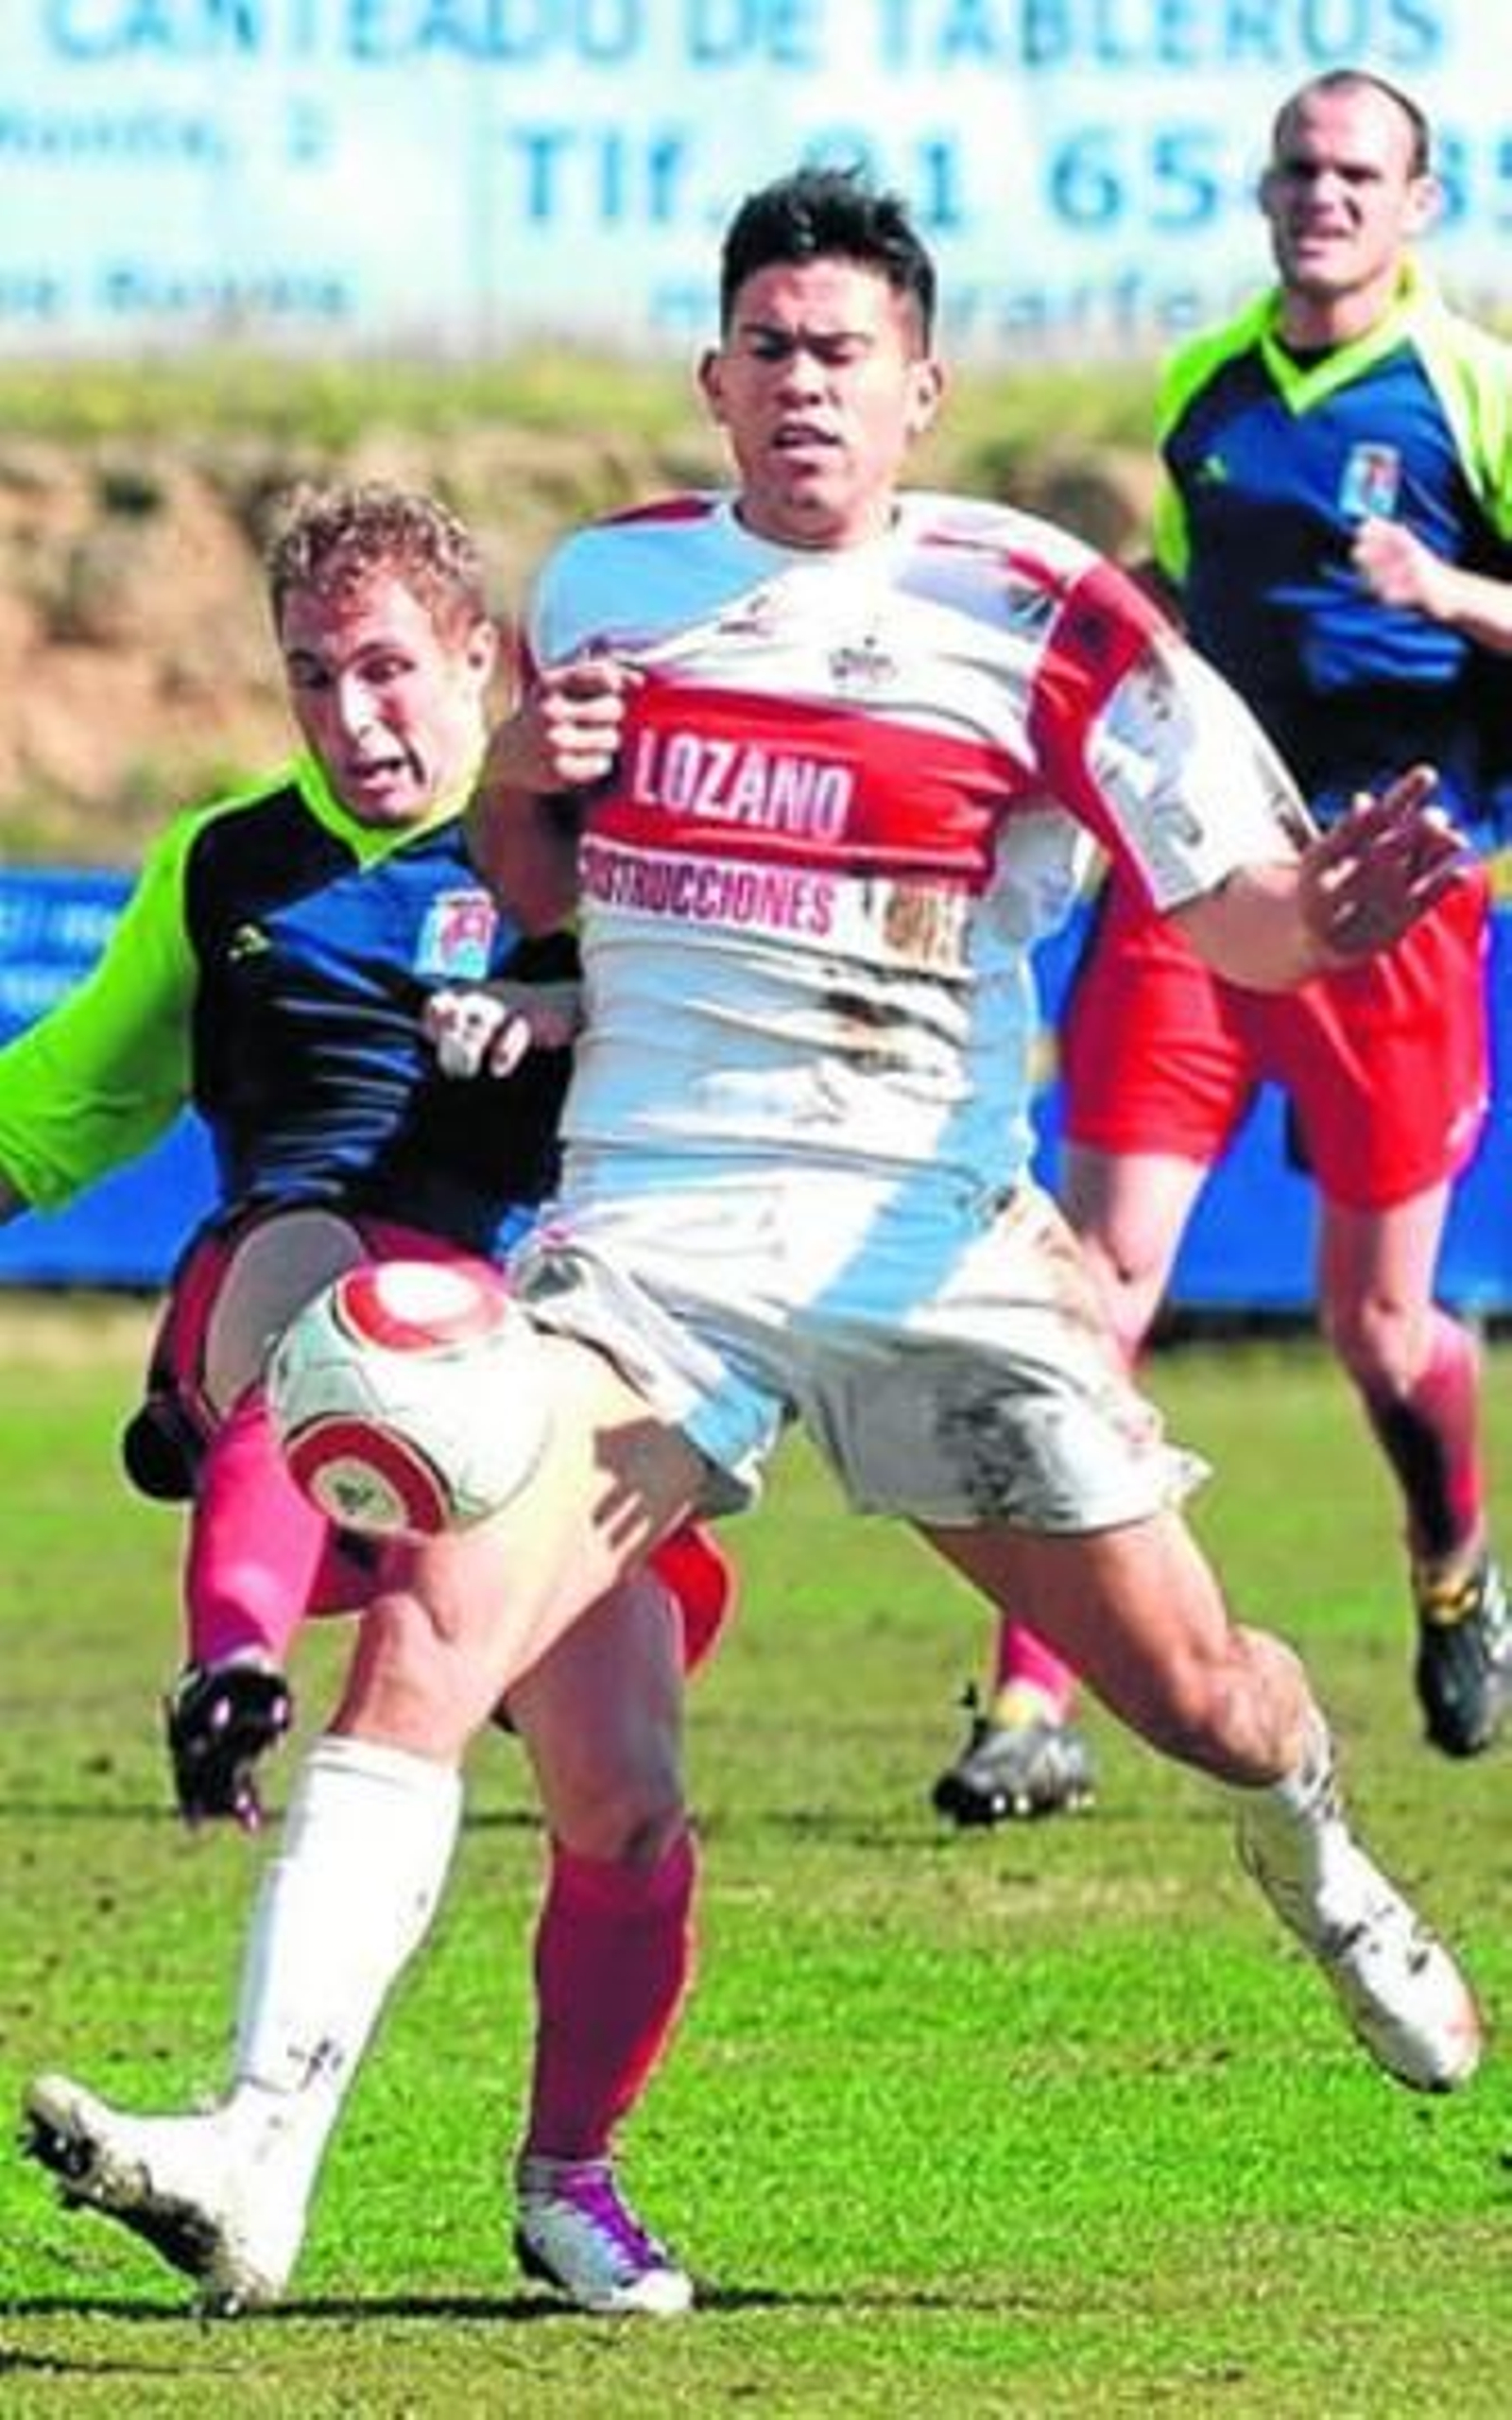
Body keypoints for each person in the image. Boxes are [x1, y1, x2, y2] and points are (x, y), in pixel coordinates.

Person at [23, 166, 1483, 2323]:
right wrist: (520, 782)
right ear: (714, 379)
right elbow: (534, 884)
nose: (805, 385)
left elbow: (1234, 907)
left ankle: (1319, 1846)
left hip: (926, 1257)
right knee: (433, 1631)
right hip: (650, 1257)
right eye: (770, 349)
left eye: (844, 353)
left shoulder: (1043, 608)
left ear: (920, 390)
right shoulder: (611, 586)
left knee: (1203, 1695)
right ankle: (257, 2148)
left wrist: (1320, 922)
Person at [5, 480, 732, 2313]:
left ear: (481, 661)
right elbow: (52, 1110)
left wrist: (571, 1016)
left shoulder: (584, 861)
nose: (355, 715)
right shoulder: (227, 869)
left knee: (626, 1802)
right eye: (314, 677)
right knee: (342, 1293)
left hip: (535, 1370)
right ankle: (230, 1660)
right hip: (279, 1324)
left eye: (391, 669)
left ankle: (564, 2180)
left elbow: (717, 1060)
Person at [934, 67, 1512, 1828]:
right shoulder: (1207, 388)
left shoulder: (1473, 388)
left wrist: (1450, 594)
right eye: (1297, 171)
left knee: (1379, 1323)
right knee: (1099, 1287)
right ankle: (1035, 1703)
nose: (1322, 197)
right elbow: (1178, 607)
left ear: (1418, 204)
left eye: (1356, 175)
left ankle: (1452, 1567)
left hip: (1398, 893)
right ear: (1266, 196)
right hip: (1198, 885)